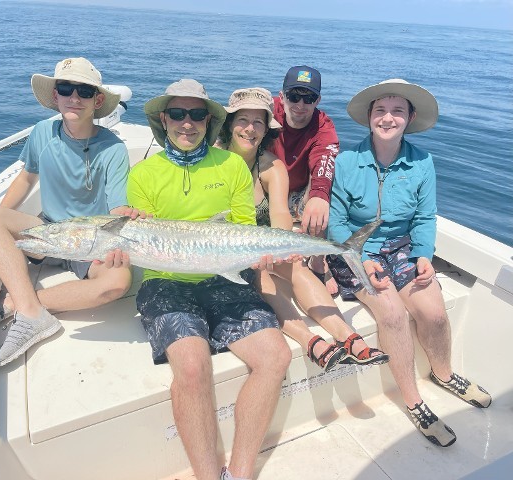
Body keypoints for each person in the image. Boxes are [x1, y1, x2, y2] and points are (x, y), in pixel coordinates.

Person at [127, 79, 292, 480]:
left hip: (224, 277)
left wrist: (263, 252)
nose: (188, 123)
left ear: (208, 120)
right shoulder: (143, 174)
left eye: (197, 114)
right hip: (165, 280)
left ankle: (237, 472)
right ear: (164, 119)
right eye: (179, 114)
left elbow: (243, 227)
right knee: (193, 366)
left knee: (276, 357)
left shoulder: (232, 166)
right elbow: (145, 238)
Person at [328, 79, 492, 447]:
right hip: (353, 251)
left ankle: (444, 373)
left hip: (402, 248)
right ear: (369, 117)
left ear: (410, 118)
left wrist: (423, 256)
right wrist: (365, 259)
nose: (388, 118)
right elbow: (337, 222)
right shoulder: (346, 161)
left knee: (433, 313)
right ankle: (413, 400)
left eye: (397, 111)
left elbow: (424, 217)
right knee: (393, 315)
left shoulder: (423, 162)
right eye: (381, 110)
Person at [0, 57, 139, 367]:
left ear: (98, 100)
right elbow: (26, 177)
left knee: (116, 283)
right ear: (55, 96)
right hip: (49, 230)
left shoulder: (113, 148)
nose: (75, 97)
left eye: (85, 91)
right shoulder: (41, 133)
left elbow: (117, 208)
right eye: (66, 88)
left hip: (92, 240)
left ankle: (19, 304)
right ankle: (33, 315)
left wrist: (128, 227)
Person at [217, 87, 388, 372]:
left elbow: (281, 213)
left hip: (263, 244)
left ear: (267, 129)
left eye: (258, 122)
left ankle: (348, 336)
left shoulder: (271, 167)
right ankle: (311, 341)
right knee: (262, 275)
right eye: (242, 121)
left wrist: (284, 246)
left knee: (299, 270)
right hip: (225, 250)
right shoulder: (213, 161)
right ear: (229, 124)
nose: (250, 129)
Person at [270, 65, 341, 295]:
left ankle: (318, 259)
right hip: (267, 186)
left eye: (308, 98)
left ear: (317, 100)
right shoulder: (266, 112)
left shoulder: (323, 125)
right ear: (282, 96)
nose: (300, 105)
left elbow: (325, 160)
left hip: (299, 190)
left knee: (328, 184)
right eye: (293, 96)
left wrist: (319, 196)